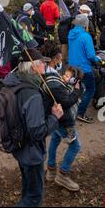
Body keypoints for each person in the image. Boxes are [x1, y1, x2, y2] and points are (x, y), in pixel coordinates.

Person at [3, 48, 63, 207]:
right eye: (42, 63)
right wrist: (54, 117)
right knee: (34, 198)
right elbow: (37, 132)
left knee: (27, 188)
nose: (45, 65)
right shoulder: (32, 95)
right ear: (34, 67)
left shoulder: (15, 81)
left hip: (19, 146)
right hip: (31, 153)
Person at [41, 42, 82, 191]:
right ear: (57, 58)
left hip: (56, 118)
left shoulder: (46, 72)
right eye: (60, 58)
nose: (61, 61)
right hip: (64, 120)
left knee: (56, 139)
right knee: (76, 145)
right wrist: (77, 92)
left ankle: (51, 169)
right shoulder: (53, 80)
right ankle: (62, 175)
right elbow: (66, 102)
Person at [68, 14, 100, 123]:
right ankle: (80, 113)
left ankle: (72, 108)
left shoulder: (70, 34)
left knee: (77, 87)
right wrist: (98, 60)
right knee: (91, 89)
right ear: (85, 24)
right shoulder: (86, 36)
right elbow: (91, 55)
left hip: (72, 66)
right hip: (83, 68)